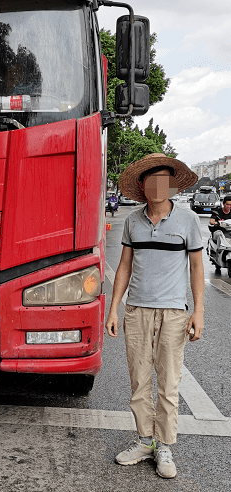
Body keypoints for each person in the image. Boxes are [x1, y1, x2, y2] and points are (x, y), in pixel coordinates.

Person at [105, 153, 204, 480]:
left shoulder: (187, 221)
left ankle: (164, 446)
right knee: (139, 381)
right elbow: (124, 266)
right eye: (152, 180)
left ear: (172, 185)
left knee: (169, 383)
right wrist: (114, 307)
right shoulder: (133, 222)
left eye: (164, 180)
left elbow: (196, 267)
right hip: (136, 310)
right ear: (143, 186)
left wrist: (198, 312)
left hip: (174, 313)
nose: (158, 186)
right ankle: (144, 441)